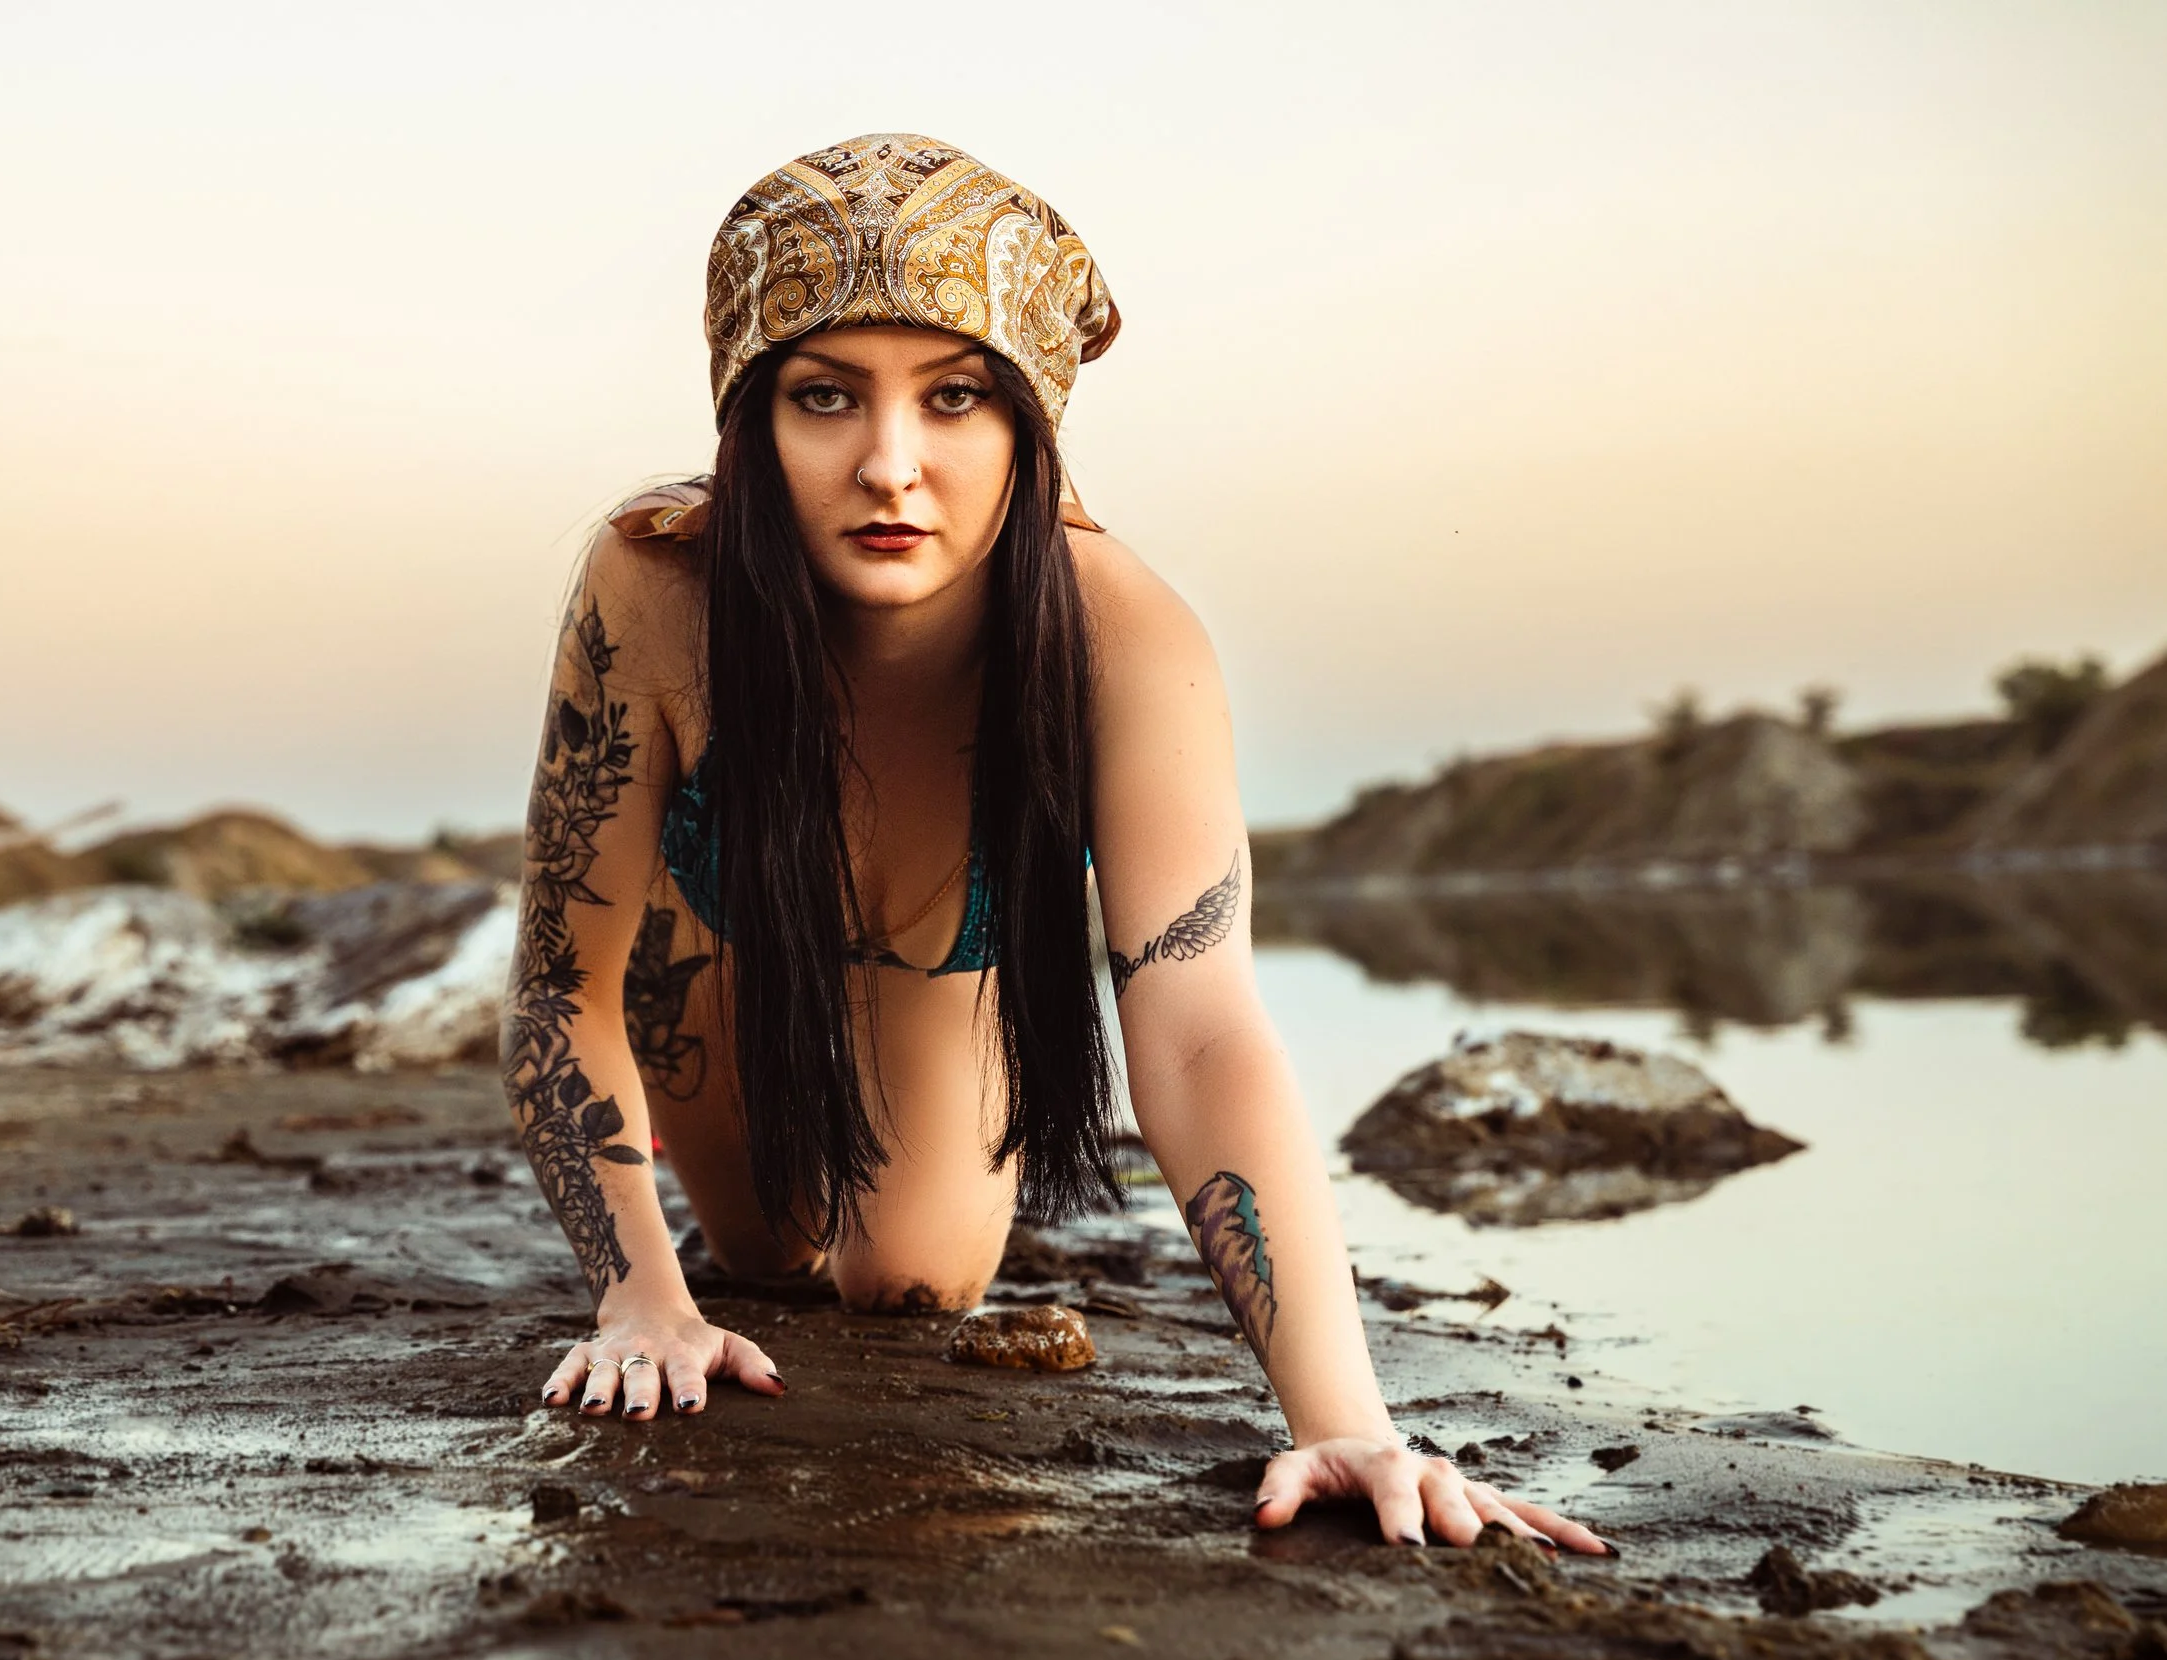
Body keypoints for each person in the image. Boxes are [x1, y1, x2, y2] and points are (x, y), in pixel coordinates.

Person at [503, 133, 1606, 1554]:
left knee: (906, 1284)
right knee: (761, 1258)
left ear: (1029, 427)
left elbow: (1201, 1026)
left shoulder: (1125, 637)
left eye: (955, 399)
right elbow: (559, 987)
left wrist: (1345, 1424)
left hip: (939, 976)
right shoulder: (654, 586)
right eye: (825, 398)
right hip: (718, 956)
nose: (890, 466)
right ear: (751, 423)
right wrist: (642, 1293)